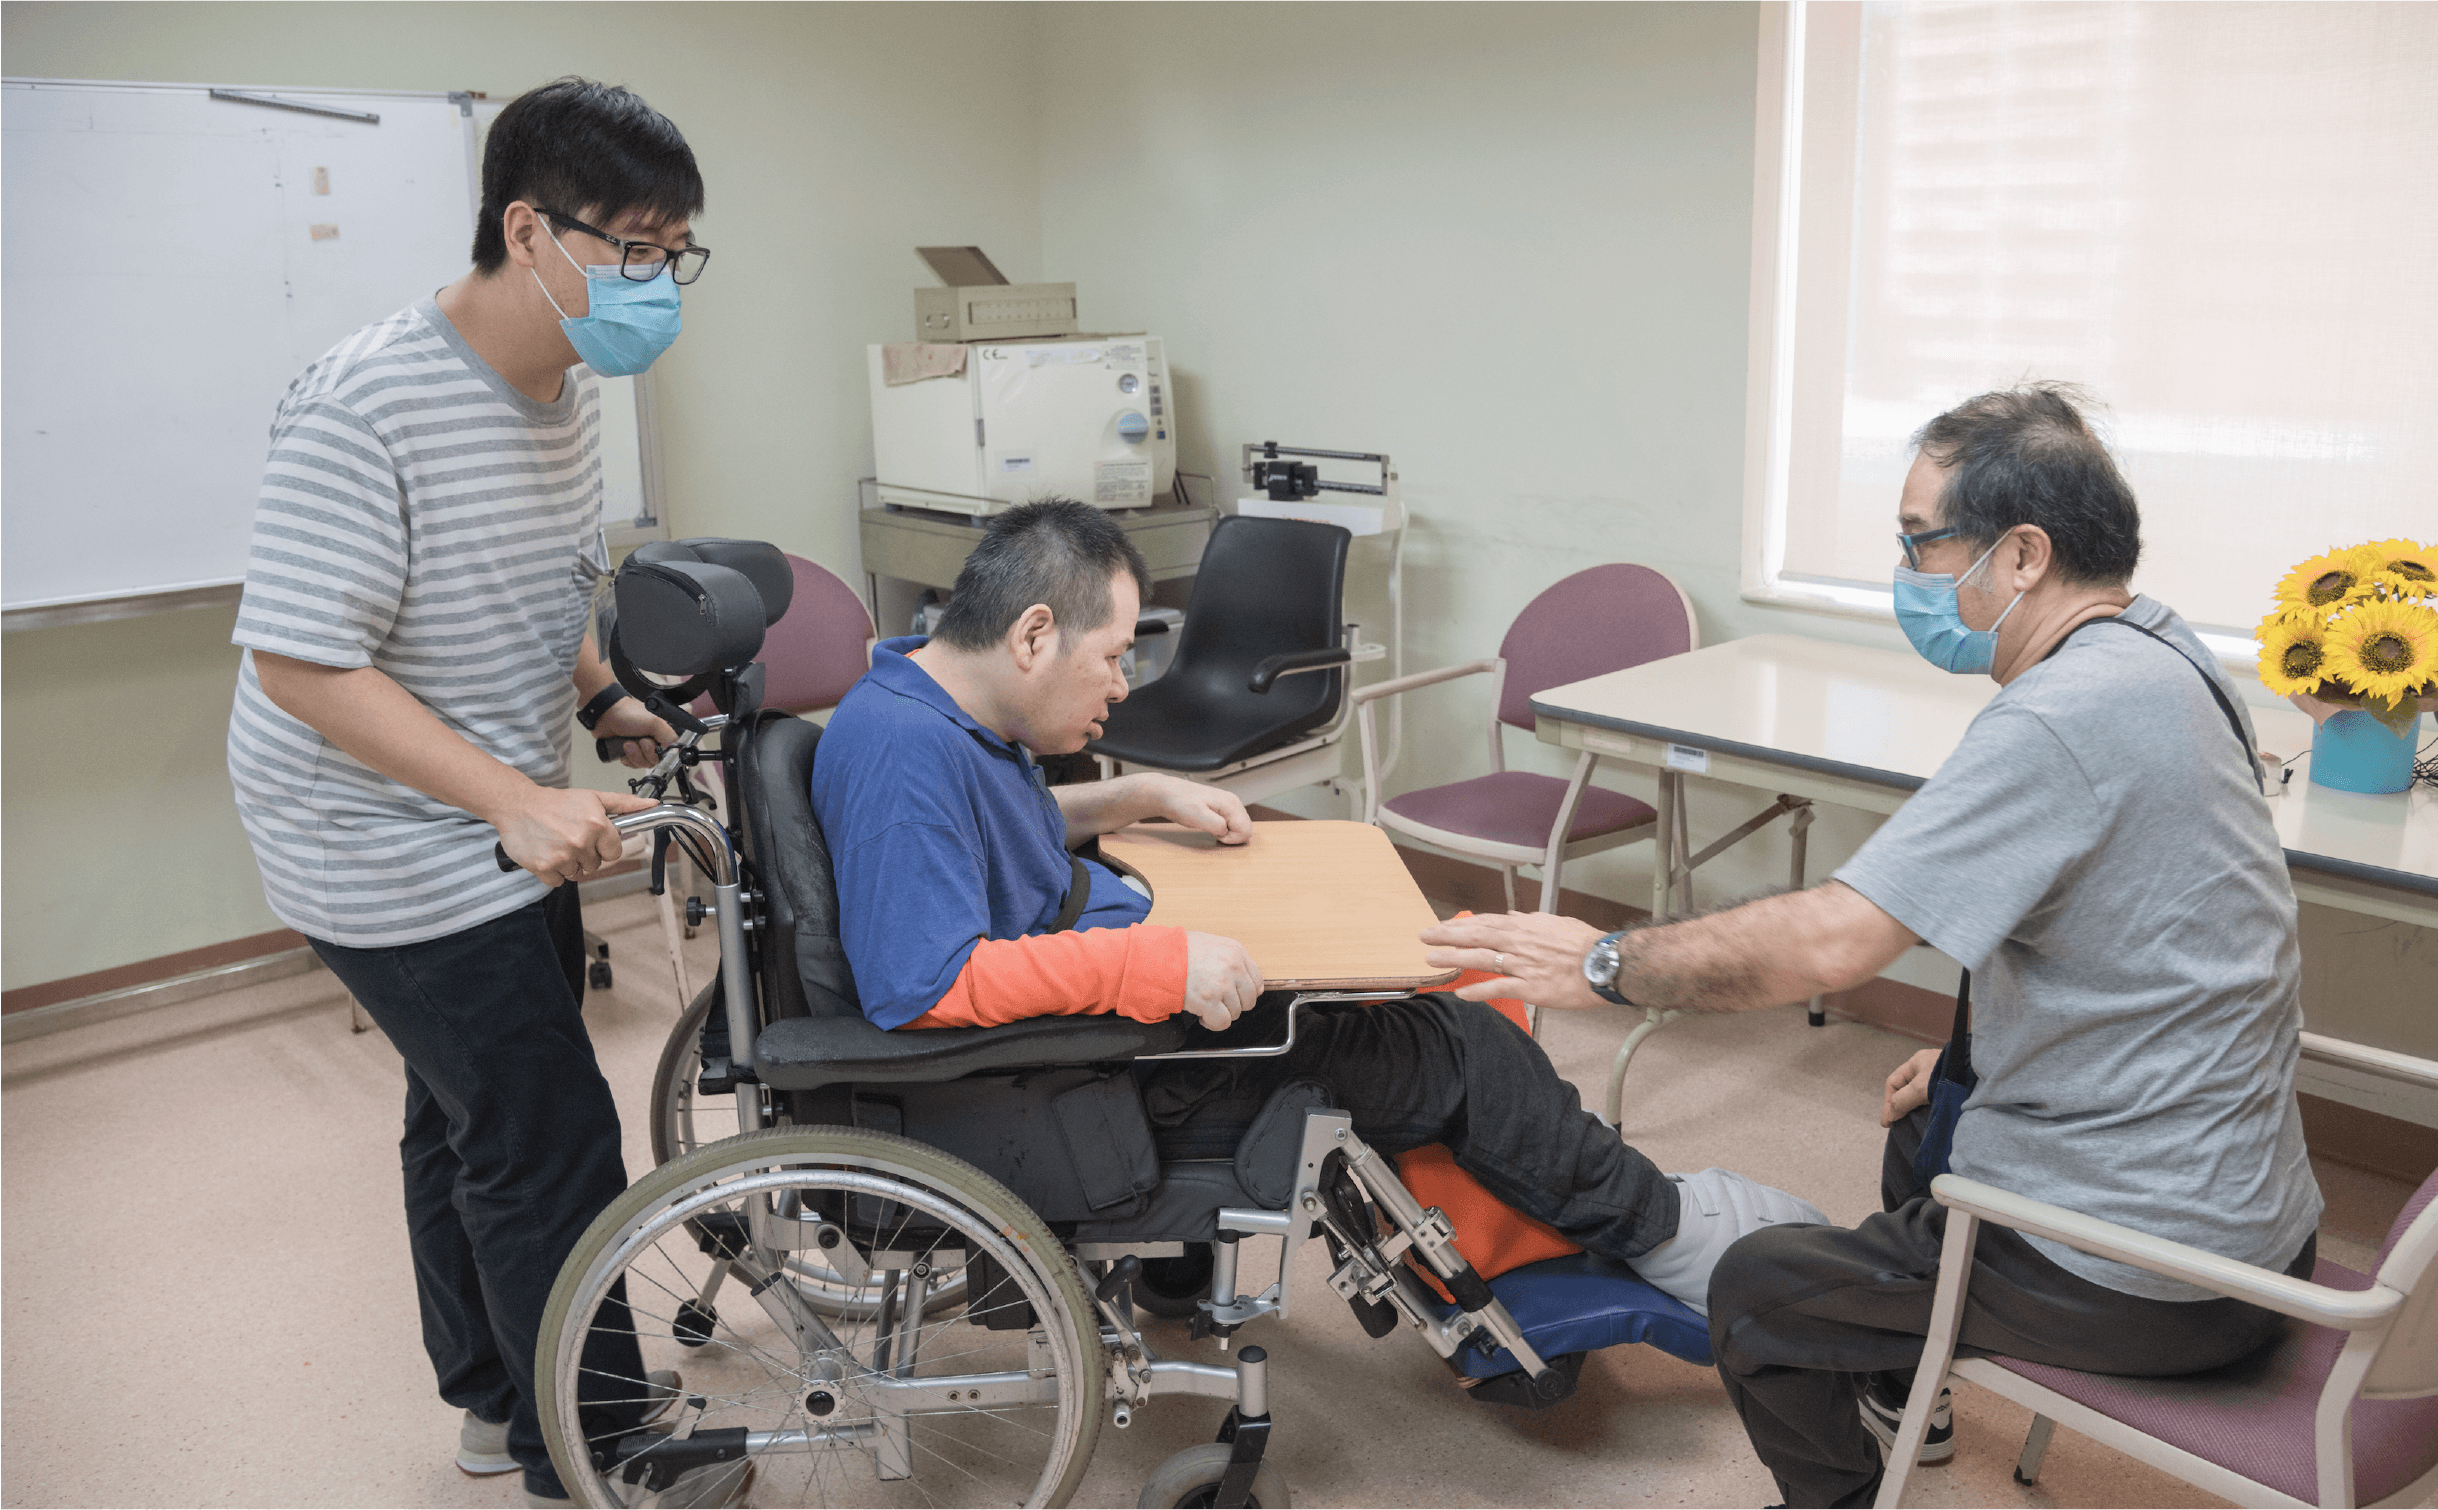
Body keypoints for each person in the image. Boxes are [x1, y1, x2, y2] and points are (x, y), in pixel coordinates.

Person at [1425, 383, 2324, 1507]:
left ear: (2025, 553)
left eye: (1920, 542)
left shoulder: (2058, 717)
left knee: (1757, 1291)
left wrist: (1605, 963)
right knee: (1925, 1109)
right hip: (2252, 1214)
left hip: (2155, 1274)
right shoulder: (2170, 655)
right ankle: (1912, 1393)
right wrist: (1979, 1059)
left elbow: (1835, 943)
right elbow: (2114, 929)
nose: (1908, 570)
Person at [812, 498, 1819, 1311]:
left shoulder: (936, 704)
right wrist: (1157, 963)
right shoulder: (906, 755)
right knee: (1459, 1044)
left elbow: (995, 833)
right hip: (1083, 1067)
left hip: (1101, 1009)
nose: (1124, 683)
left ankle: (1536, 1219)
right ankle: (1662, 1228)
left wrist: (1134, 795)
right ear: (1035, 633)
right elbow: (925, 983)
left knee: (1435, 957)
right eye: (1114, 654)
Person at [224, 78, 729, 1510]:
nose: (656, 282)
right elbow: (302, 664)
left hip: (492, 818)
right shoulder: (365, 400)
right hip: (372, 837)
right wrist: (509, 795)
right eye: (634, 246)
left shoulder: (568, 390)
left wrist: (599, 699)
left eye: (674, 252)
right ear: (529, 227)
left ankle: (499, 1401)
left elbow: (542, 588)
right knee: (546, 1131)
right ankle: (603, 1446)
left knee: (464, 1117)